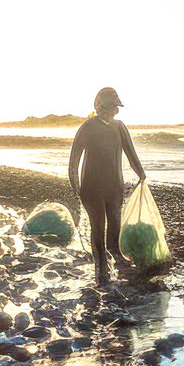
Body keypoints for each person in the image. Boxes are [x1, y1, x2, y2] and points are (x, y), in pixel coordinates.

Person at [67, 87, 146, 286]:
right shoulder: (88, 127)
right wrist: (74, 183)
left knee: (115, 225)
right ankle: (101, 269)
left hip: (114, 187)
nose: (114, 111)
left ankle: (117, 261)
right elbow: (74, 158)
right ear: (99, 107)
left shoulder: (120, 127)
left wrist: (141, 174)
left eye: (116, 107)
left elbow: (131, 153)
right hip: (91, 188)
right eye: (111, 107)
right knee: (97, 227)